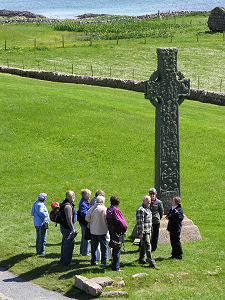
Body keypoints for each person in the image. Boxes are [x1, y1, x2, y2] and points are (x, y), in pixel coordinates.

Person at [136, 195, 160, 269]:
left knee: (144, 245)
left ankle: (141, 259)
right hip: (144, 232)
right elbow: (140, 222)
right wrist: (141, 233)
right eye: (147, 200)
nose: (149, 202)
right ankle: (152, 263)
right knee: (148, 246)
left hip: (148, 230)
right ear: (143, 201)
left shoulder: (147, 208)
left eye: (149, 200)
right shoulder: (141, 210)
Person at [85, 195, 108, 266]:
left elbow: (87, 218)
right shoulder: (104, 209)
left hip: (93, 231)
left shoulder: (92, 209)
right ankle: (103, 262)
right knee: (103, 247)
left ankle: (93, 261)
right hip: (102, 231)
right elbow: (107, 220)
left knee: (93, 248)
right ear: (102, 201)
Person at [106, 195, 127, 271]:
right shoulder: (116, 210)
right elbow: (122, 222)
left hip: (111, 231)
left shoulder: (109, 210)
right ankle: (116, 267)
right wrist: (125, 229)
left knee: (114, 248)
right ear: (118, 203)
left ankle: (113, 265)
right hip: (117, 231)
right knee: (117, 249)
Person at [60, 190, 77, 265]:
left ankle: (63, 259)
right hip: (68, 228)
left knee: (64, 243)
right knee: (69, 245)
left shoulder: (64, 203)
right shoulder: (68, 206)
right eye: (73, 196)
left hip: (64, 227)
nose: (74, 197)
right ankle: (67, 261)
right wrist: (73, 228)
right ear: (70, 197)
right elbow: (69, 219)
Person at [149, 188, 164, 252]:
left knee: (155, 235)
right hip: (148, 221)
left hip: (155, 221)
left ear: (156, 194)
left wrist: (158, 218)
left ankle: (153, 248)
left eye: (153, 194)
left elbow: (161, 212)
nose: (152, 195)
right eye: (151, 194)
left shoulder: (159, 202)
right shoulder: (147, 201)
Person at [78, 189, 91, 256]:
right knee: (86, 237)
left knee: (84, 237)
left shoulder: (84, 201)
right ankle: (85, 252)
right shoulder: (83, 203)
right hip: (85, 223)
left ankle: (82, 251)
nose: (90, 196)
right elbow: (84, 213)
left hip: (83, 222)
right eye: (89, 195)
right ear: (85, 195)